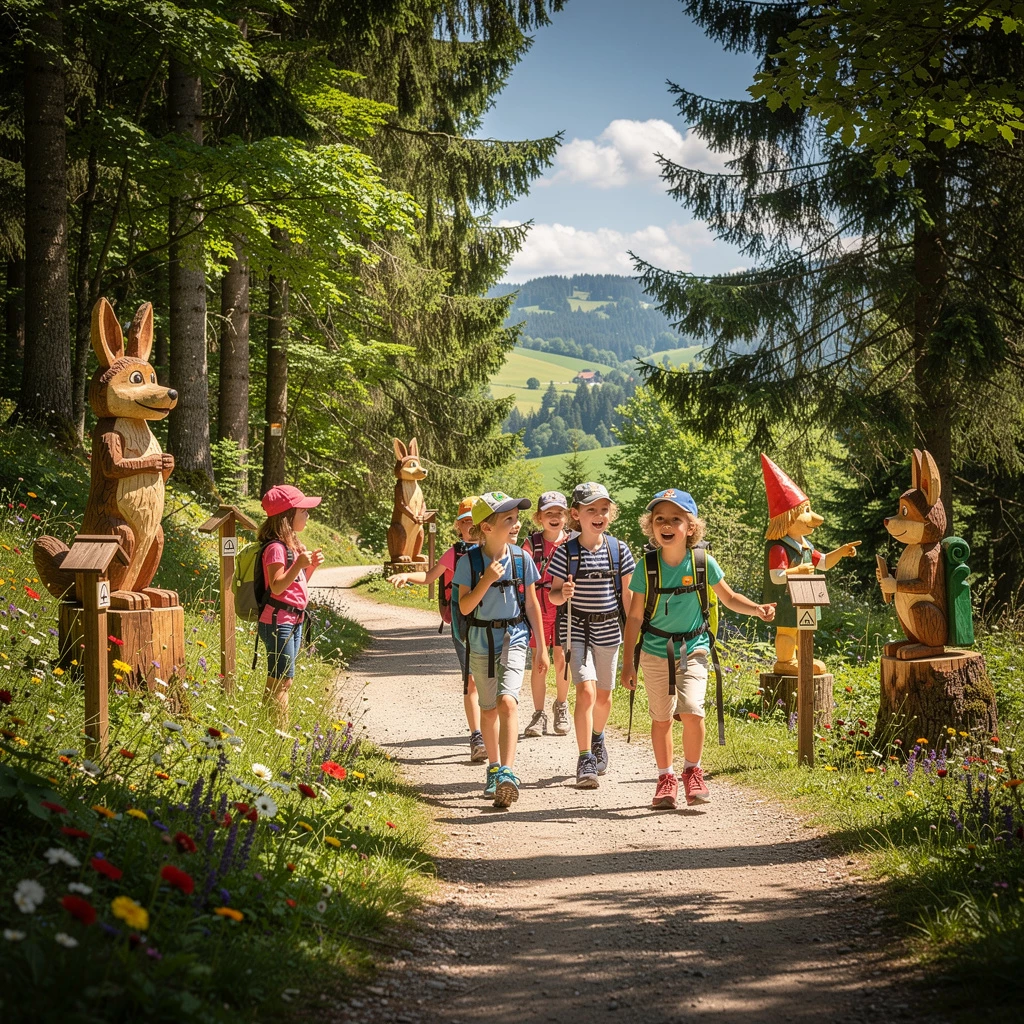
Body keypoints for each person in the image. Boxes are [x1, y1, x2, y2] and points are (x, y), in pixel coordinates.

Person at [620, 489, 776, 810]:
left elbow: (729, 598)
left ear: (690, 527)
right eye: (659, 519)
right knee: (662, 718)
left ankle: (692, 771)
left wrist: (757, 608)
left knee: (692, 708)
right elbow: (635, 616)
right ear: (651, 526)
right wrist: (627, 663)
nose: (666, 524)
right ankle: (666, 779)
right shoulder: (645, 567)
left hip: (694, 648)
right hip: (653, 650)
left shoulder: (703, 562)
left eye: (675, 519)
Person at [454, 491, 547, 808]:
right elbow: (465, 608)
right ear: (487, 527)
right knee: (489, 707)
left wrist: (542, 648)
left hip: (515, 637)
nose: (516, 523)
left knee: (508, 701)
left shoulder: (522, 559)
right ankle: (493, 768)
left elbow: (533, 605)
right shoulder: (470, 562)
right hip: (480, 641)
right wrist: (486, 580)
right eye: (508, 519)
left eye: (516, 517)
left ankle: (507, 772)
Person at [548, 482, 636, 789]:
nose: (599, 515)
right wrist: (564, 592)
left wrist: (635, 636)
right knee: (585, 691)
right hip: (575, 629)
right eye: (591, 510)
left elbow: (629, 597)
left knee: (604, 696)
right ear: (576, 514)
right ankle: (585, 757)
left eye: (604, 510)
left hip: (610, 629)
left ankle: (598, 737)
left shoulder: (619, 550)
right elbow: (554, 597)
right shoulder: (565, 553)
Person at [388, 497, 486, 763]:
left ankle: (492, 732)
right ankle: (477, 736)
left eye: (476, 521)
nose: (471, 526)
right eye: (466, 521)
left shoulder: (497, 551)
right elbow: (431, 576)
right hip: (463, 624)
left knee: (493, 681)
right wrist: (408, 575)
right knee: (472, 681)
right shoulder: (454, 553)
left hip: (493, 624)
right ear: (458, 526)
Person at [257, 484, 325, 723]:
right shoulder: (276, 549)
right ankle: (280, 736)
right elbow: (276, 586)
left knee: (278, 680)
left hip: (292, 621)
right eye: (303, 511)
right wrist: (297, 564)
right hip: (278, 622)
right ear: (288, 515)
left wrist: (310, 566)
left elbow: (297, 584)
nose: (307, 515)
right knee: (283, 681)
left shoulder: (290, 548)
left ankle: (263, 724)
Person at [522, 491, 571, 738]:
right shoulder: (531, 544)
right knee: (539, 661)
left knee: (562, 658)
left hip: (566, 611)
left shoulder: (573, 542)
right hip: (538, 611)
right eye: (548, 513)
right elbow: (522, 575)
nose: (554, 517)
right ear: (539, 517)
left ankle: (561, 705)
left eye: (559, 513)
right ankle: (539, 713)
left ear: (567, 516)